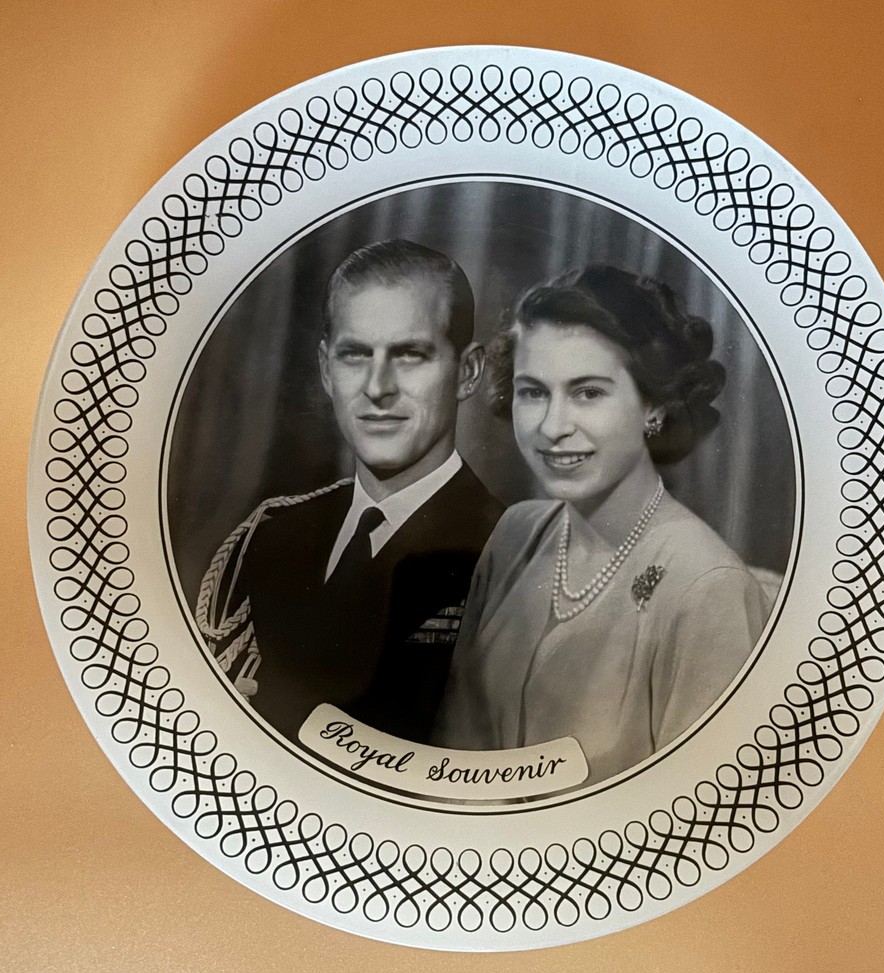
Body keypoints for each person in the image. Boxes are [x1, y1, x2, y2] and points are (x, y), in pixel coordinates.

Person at [434, 265, 773, 785]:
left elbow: (704, 815)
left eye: (588, 392)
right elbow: (452, 760)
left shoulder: (709, 589)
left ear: (653, 406)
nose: (552, 427)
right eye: (533, 392)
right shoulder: (514, 534)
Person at [196, 240, 504, 746]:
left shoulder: (508, 553)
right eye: (356, 355)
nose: (378, 387)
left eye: (410, 355)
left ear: (466, 373)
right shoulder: (273, 532)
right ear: (325, 370)